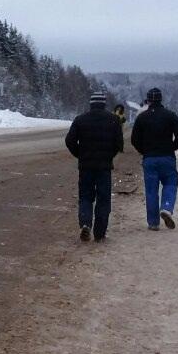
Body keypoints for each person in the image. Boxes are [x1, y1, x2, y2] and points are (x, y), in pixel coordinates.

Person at [64, 91, 124, 242]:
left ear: (90, 104)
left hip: (86, 166)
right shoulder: (113, 120)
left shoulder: (80, 120)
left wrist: (80, 154)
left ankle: (85, 223)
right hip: (104, 167)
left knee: (85, 197)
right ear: (104, 104)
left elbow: (69, 141)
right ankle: (100, 232)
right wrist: (109, 155)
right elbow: (119, 144)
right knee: (103, 199)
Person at [131, 87, 178, 230]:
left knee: (151, 190)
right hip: (167, 156)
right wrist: (173, 147)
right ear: (161, 99)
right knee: (170, 182)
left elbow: (134, 139)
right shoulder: (170, 116)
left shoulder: (142, 118)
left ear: (148, 100)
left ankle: (153, 223)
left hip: (149, 158)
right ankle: (167, 207)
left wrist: (144, 151)